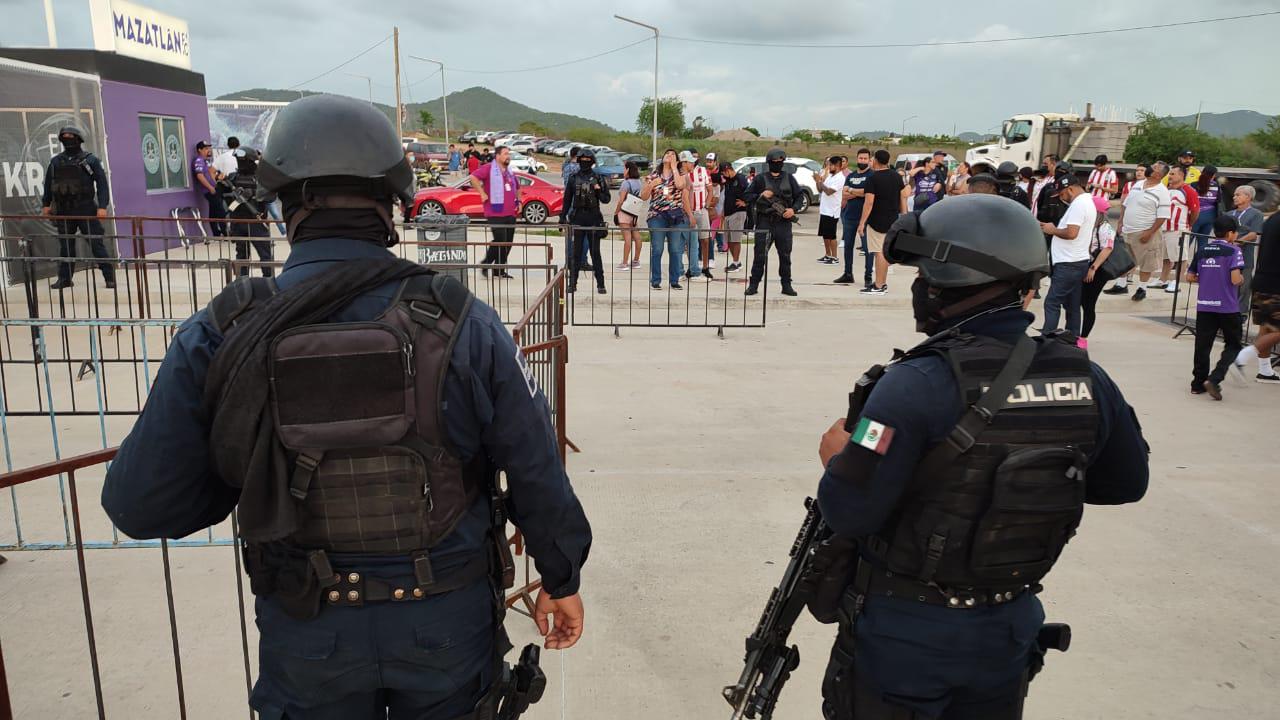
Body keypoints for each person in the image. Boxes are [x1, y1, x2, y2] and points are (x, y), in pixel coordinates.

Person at [100, 94, 591, 720]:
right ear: (393, 200)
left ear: (281, 201)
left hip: (308, 626)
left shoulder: (224, 329)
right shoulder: (462, 321)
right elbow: (534, 465)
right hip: (444, 620)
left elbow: (140, 505)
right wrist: (561, 577)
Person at [815, 193, 1149, 720]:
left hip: (909, 636)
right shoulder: (1085, 376)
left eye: (926, 276)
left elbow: (849, 511)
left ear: (944, 286)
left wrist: (838, 458)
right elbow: (1124, 483)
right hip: (1008, 627)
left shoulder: (912, 384)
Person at [40, 126, 116, 291]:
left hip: (86, 208)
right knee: (66, 246)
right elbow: (48, 185)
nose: (67, 140)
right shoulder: (56, 161)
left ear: (78, 139)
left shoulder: (90, 160)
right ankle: (65, 279)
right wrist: (46, 204)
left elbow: (102, 185)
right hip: (63, 210)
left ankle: (110, 277)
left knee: (96, 244)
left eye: (70, 137)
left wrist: (102, 206)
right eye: (64, 137)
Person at [1186, 215, 1246, 400]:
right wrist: (1243, 279)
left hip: (1205, 305)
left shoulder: (1203, 249)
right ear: (1230, 234)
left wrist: (1207, 279)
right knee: (1234, 345)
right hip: (1227, 307)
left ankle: (1197, 384)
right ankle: (1215, 378)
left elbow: (1189, 276)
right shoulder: (1233, 250)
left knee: (1202, 345)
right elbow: (1235, 279)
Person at [1039, 174, 1097, 336]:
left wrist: (1053, 230)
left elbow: (1072, 233)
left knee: (1052, 303)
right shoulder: (1085, 202)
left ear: (1070, 189)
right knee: (1072, 306)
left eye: (1062, 194)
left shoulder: (1079, 204)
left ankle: (1047, 339)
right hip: (1076, 262)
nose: (1061, 199)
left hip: (1068, 263)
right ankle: (1073, 339)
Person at [742, 147, 803, 297]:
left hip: (783, 223)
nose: (777, 164)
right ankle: (754, 284)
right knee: (760, 256)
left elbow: (799, 196)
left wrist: (793, 210)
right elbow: (747, 196)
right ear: (769, 163)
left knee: (785, 256)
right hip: (765, 222)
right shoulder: (760, 179)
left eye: (780, 161)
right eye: (774, 162)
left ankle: (786, 285)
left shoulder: (789, 178)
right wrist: (761, 194)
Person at [1114, 161, 1171, 302]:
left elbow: (1163, 216)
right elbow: (1125, 204)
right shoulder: (1138, 184)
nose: (1150, 167)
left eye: (1155, 167)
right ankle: (1121, 285)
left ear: (1158, 175)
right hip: (1128, 230)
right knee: (1125, 259)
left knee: (1147, 262)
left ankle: (1142, 288)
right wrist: (1120, 222)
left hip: (1145, 232)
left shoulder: (1162, 191)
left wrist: (1150, 232)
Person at [1235, 212, 1280, 384]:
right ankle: (1240, 358)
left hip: (1262, 281)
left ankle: (1265, 371)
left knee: (1267, 327)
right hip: (1276, 285)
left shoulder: (1272, 219)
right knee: (1275, 330)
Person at [560, 148, 610, 294]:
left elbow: (606, 199)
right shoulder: (573, 178)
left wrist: (598, 189)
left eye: (588, 161)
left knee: (595, 252)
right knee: (576, 252)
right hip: (578, 217)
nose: (585, 163)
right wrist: (562, 217)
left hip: (594, 217)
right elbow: (567, 199)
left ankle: (600, 283)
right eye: (582, 160)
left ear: (592, 162)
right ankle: (572, 283)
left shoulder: (599, 177)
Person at [856, 149, 904, 295]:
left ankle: (878, 285)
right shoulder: (896, 176)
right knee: (884, 252)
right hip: (892, 219)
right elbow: (902, 195)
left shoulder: (873, 178)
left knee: (879, 253)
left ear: (875, 160)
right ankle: (881, 283)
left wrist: (862, 222)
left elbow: (869, 202)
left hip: (877, 221)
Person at [641, 148, 690, 290]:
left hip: (675, 215)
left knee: (675, 249)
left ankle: (674, 280)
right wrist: (651, 184)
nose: (669, 156)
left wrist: (674, 167)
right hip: (657, 215)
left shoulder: (680, 175)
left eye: (673, 154)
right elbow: (643, 196)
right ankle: (655, 280)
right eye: (667, 154)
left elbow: (681, 186)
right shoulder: (654, 175)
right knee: (657, 248)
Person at [221, 147, 274, 277]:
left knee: (255, 256)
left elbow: (271, 196)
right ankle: (253, 283)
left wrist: (254, 193)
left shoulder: (239, 178)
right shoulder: (234, 178)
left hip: (250, 221)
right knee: (250, 256)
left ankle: (255, 282)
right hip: (247, 222)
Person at [470, 146, 521, 279]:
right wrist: (482, 193)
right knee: (500, 240)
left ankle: (499, 269)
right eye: (505, 154)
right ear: (497, 156)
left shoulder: (510, 171)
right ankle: (486, 263)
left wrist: (519, 201)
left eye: (508, 154)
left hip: (510, 213)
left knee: (508, 243)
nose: (508, 156)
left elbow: (518, 187)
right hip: (495, 213)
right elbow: (473, 178)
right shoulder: (488, 168)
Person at [1080, 194, 1117, 345]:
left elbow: (1107, 248)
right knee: (1079, 301)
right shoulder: (1087, 225)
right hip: (1085, 264)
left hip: (1097, 269)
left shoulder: (1105, 227)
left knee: (1088, 304)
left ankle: (1083, 338)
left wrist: (1093, 268)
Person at [835, 148, 873, 287]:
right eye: (860, 158)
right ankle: (848, 274)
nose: (862, 161)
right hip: (849, 215)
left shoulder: (871, 175)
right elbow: (843, 194)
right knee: (848, 246)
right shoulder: (850, 176)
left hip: (865, 217)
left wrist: (851, 190)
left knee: (868, 249)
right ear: (857, 159)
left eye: (865, 158)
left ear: (869, 160)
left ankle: (868, 277)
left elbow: (867, 193)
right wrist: (857, 192)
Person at [1159, 165, 1200, 292]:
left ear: (1181, 175)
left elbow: (1195, 210)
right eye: (1169, 174)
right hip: (1165, 227)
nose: (1169, 176)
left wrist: (1188, 224)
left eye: (1172, 174)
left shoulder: (1189, 190)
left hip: (1178, 228)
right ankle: (1162, 279)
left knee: (1180, 256)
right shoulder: (1168, 189)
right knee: (1166, 256)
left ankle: (1176, 282)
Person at [683, 150, 713, 280]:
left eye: (695, 157)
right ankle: (692, 266)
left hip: (701, 210)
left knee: (705, 239)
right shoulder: (683, 173)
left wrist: (707, 203)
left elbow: (710, 189)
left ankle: (705, 267)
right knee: (691, 241)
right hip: (689, 211)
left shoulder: (703, 171)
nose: (694, 160)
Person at [613, 161, 644, 270]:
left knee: (627, 238)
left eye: (624, 169)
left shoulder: (626, 183)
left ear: (628, 170)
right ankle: (636, 260)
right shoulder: (639, 182)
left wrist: (616, 212)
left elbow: (621, 200)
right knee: (637, 236)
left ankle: (625, 262)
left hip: (625, 212)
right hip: (634, 212)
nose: (623, 171)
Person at [194, 140, 228, 239]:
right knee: (221, 211)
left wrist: (217, 178)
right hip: (209, 190)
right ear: (199, 150)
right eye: (205, 149)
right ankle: (225, 233)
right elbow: (200, 176)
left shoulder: (205, 161)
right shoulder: (199, 161)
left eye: (208, 148)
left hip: (213, 188)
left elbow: (209, 175)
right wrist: (210, 187)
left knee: (213, 212)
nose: (208, 150)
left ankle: (216, 233)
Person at [719, 161, 749, 273]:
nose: (723, 175)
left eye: (723, 173)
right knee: (729, 239)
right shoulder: (727, 181)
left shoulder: (740, 179)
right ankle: (736, 261)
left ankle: (736, 263)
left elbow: (749, 192)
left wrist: (746, 202)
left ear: (728, 169)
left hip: (738, 212)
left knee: (736, 239)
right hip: (727, 213)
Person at [817, 156, 844, 266]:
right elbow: (820, 190)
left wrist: (821, 182)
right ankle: (827, 254)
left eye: (830, 165)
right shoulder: (830, 176)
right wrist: (818, 181)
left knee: (831, 235)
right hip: (824, 210)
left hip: (832, 211)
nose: (828, 167)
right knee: (825, 234)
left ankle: (835, 257)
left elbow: (828, 191)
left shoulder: (840, 178)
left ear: (837, 165)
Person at [1190, 165, 1223, 248]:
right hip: (1210, 215)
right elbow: (1218, 201)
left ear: (1202, 173)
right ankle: (1201, 260)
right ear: (1213, 175)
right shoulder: (1216, 186)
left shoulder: (1194, 185)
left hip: (1196, 215)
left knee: (1188, 240)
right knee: (1203, 241)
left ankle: (1181, 260)